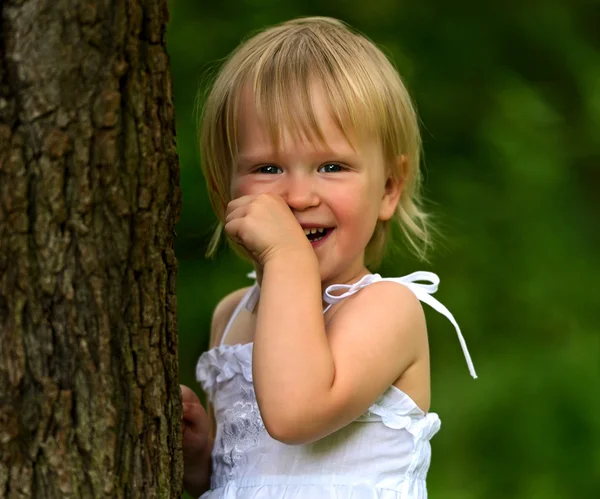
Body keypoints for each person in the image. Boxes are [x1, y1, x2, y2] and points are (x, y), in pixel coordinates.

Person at [180, 16, 477, 499]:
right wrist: (198, 463)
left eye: (331, 166)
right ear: (224, 190)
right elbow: (247, 479)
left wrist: (287, 259)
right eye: (267, 167)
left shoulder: (387, 308)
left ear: (387, 188)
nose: (298, 196)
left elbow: (295, 413)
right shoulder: (231, 317)